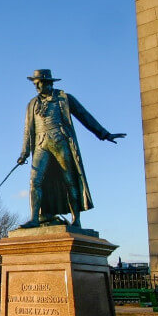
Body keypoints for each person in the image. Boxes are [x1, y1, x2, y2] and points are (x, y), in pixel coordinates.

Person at [18, 69, 125, 228]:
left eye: (39, 83)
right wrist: (24, 152)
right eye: (35, 84)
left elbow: (84, 116)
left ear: (48, 82)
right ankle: (35, 218)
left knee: (69, 180)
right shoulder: (32, 104)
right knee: (35, 181)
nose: (37, 87)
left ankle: (76, 220)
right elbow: (28, 130)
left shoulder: (64, 98)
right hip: (41, 144)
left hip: (60, 140)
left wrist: (104, 134)